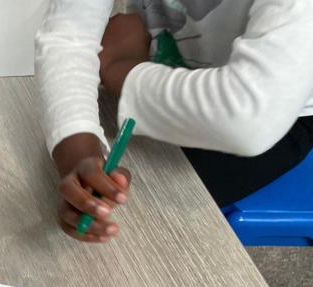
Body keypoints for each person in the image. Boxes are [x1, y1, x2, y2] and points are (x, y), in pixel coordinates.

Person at [36, 0, 313, 242]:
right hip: (164, 66)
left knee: (144, 229)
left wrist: (120, 70)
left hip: (281, 115)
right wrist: (78, 152)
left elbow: (250, 118)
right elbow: (68, 36)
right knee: (76, 203)